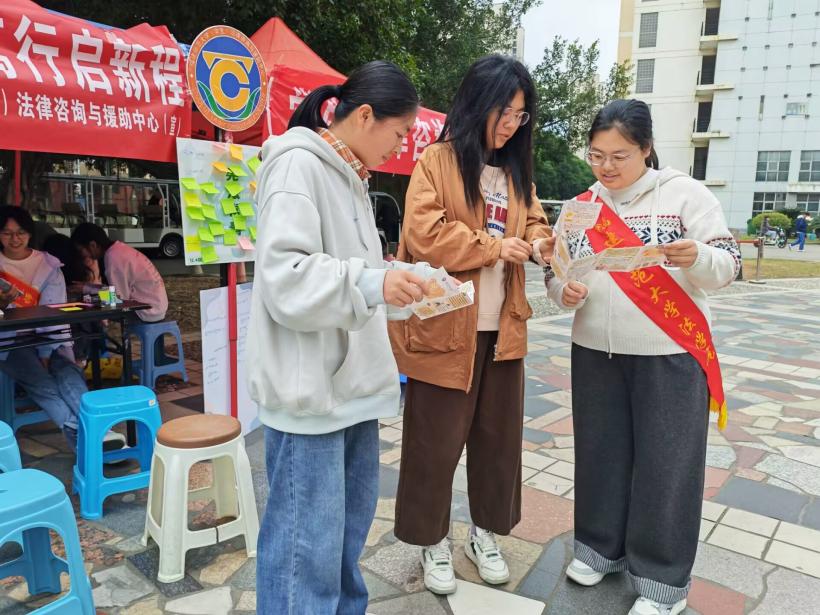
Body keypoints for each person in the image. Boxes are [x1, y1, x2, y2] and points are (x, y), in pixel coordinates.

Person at [247, 61, 431, 614]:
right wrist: (374, 283)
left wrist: (396, 287)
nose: (401, 146)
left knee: (343, 545)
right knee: (305, 553)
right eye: (400, 132)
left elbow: (352, 280)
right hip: (311, 396)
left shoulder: (349, 178)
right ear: (366, 115)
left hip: (350, 390)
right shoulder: (296, 166)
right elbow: (286, 278)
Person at [545, 99, 740, 615]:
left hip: (669, 353)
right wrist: (562, 290)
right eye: (596, 155)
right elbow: (556, 273)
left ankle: (661, 581)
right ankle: (598, 549)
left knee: (667, 466)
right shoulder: (581, 206)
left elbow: (728, 264)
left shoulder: (685, 195)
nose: (606, 167)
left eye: (619, 156)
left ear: (646, 149)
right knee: (599, 454)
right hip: (595, 351)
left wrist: (699, 256)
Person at [387, 55, 553, 595]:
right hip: (443, 331)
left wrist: (542, 243)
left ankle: (486, 534)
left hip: (504, 331)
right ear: (478, 104)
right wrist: (493, 247)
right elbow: (424, 234)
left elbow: (535, 222)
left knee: (498, 444)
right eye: (505, 112)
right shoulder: (437, 161)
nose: (511, 125)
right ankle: (433, 540)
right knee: (434, 445)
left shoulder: (517, 172)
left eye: (521, 116)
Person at [0, 207, 124, 453]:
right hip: (8, 343)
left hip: (49, 337)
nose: (15, 239)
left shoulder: (47, 264)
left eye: (21, 232)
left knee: (69, 373)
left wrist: (46, 352)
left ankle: (93, 433)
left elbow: (54, 313)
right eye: (6, 233)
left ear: (30, 233)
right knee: (41, 382)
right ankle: (92, 435)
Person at [71, 223, 168, 321]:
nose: (82, 255)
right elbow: (116, 291)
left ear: (93, 245)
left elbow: (117, 299)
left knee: (95, 308)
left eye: (81, 250)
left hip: (146, 312)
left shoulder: (114, 259)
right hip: (156, 307)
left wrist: (88, 291)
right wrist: (88, 287)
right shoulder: (118, 250)